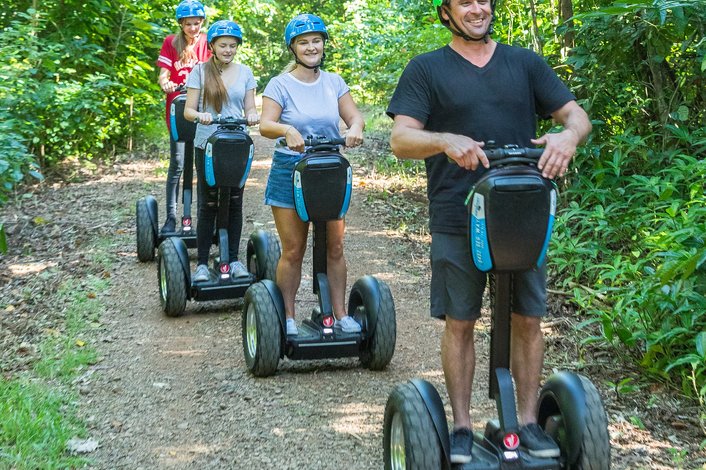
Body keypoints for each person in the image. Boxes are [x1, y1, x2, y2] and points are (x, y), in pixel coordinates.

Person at [387, 0, 592, 464]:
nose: (477, 8)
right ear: (446, 11)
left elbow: (576, 115)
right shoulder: (426, 69)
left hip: (523, 211)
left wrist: (568, 137)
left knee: (528, 318)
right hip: (457, 214)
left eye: (483, 0)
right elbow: (401, 139)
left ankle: (523, 422)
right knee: (461, 321)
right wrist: (443, 140)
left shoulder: (524, 63)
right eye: (465, 1)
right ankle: (461, 428)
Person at [259, 14, 365, 336]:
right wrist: (287, 129)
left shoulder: (334, 82)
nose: (311, 47)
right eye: (303, 42)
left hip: (329, 169)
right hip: (290, 168)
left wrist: (356, 129)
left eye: (316, 40)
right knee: (293, 249)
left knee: (335, 247)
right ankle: (288, 319)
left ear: (324, 43)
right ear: (293, 47)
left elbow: (355, 117)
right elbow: (265, 125)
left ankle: (340, 313)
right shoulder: (280, 84)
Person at [183, 20, 259, 282]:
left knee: (235, 201)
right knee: (209, 203)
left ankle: (234, 260)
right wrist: (201, 115)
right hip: (207, 145)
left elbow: (250, 108)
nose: (228, 50)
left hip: (236, 144)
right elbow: (188, 110)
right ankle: (203, 263)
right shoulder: (200, 72)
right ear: (212, 46)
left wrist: (251, 116)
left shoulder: (246, 72)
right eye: (223, 45)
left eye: (233, 45)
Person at [156, 0, 211, 235]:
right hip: (178, 110)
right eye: (188, 24)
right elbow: (163, 74)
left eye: (196, 23)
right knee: (177, 165)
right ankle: (171, 217)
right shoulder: (172, 42)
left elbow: (216, 72)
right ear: (181, 24)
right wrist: (166, 83)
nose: (192, 28)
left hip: (202, 111)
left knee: (203, 166)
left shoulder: (208, 42)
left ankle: (204, 220)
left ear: (202, 23)